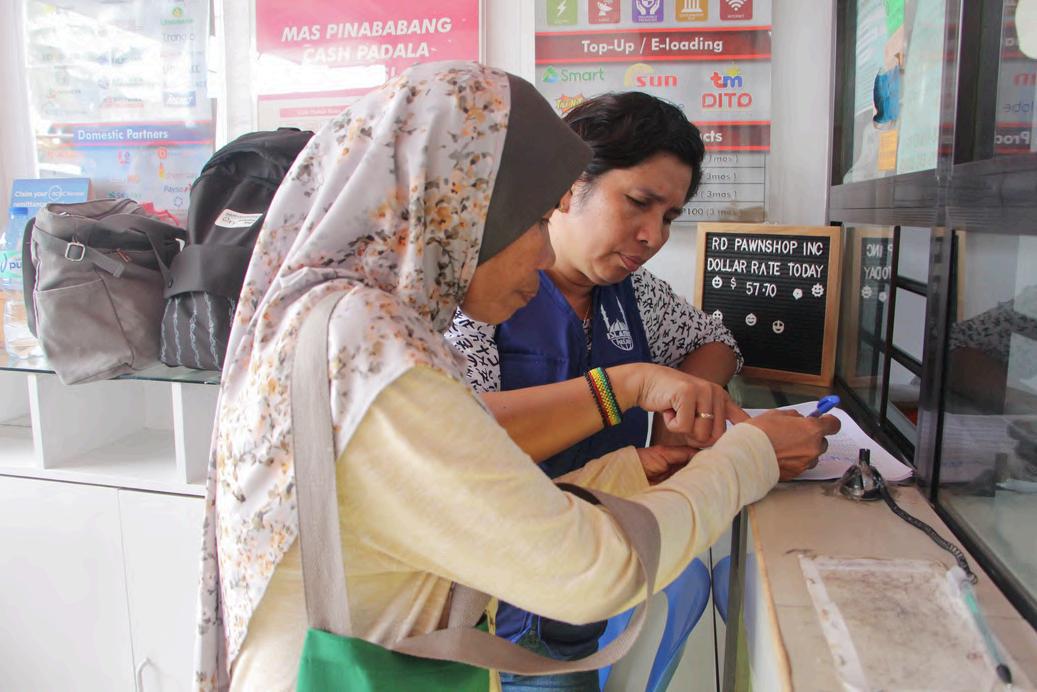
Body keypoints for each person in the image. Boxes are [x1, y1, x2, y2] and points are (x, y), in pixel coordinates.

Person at [193, 61, 838, 691]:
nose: (546, 248)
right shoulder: (374, 347)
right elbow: (589, 572)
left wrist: (630, 470)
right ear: (463, 203)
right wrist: (749, 454)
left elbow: (459, 495)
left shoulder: (343, 319)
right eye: (536, 220)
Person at [444, 91, 745, 686]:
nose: (653, 236)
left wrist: (684, 406)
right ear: (568, 185)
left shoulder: (634, 295)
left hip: (604, 575)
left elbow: (716, 342)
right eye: (638, 203)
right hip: (507, 601)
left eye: (669, 217)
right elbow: (459, 434)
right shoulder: (480, 290)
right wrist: (625, 387)